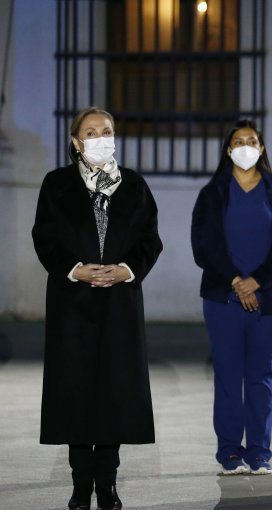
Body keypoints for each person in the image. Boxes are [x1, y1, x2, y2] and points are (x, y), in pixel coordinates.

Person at [32, 106, 163, 510]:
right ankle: (79, 487)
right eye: (90, 132)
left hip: (119, 306)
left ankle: (106, 485)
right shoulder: (56, 185)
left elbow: (149, 240)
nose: (100, 137)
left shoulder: (135, 186)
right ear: (76, 141)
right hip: (73, 306)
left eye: (106, 130)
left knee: (114, 397)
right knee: (75, 397)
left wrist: (126, 270)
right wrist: (76, 270)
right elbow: (45, 238)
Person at [191, 120, 272, 476]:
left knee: (260, 376)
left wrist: (257, 282)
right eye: (238, 141)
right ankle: (229, 452)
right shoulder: (212, 193)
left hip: (269, 299)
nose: (245, 146)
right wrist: (237, 281)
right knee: (228, 375)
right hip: (223, 299)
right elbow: (203, 246)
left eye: (252, 141)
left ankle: (259, 452)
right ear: (227, 150)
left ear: (262, 148)